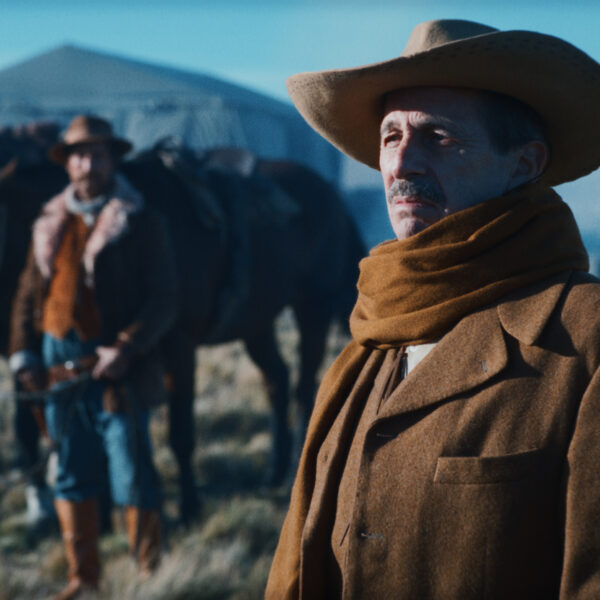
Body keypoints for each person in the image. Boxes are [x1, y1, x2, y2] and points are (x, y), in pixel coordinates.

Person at [266, 19, 600, 599]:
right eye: (391, 136)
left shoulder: (585, 338)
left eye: (438, 137)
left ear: (523, 164)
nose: (402, 164)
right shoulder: (373, 338)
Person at [8, 115, 177, 599]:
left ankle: (149, 576)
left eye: (98, 155)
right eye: (79, 156)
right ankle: (83, 579)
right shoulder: (48, 224)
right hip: (58, 370)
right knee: (70, 473)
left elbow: (165, 298)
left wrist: (127, 345)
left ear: (112, 161)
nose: (88, 165)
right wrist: (23, 356)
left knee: (132, 471)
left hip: (118, 372)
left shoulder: (141, 221)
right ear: (67, 164)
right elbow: (27, 296)